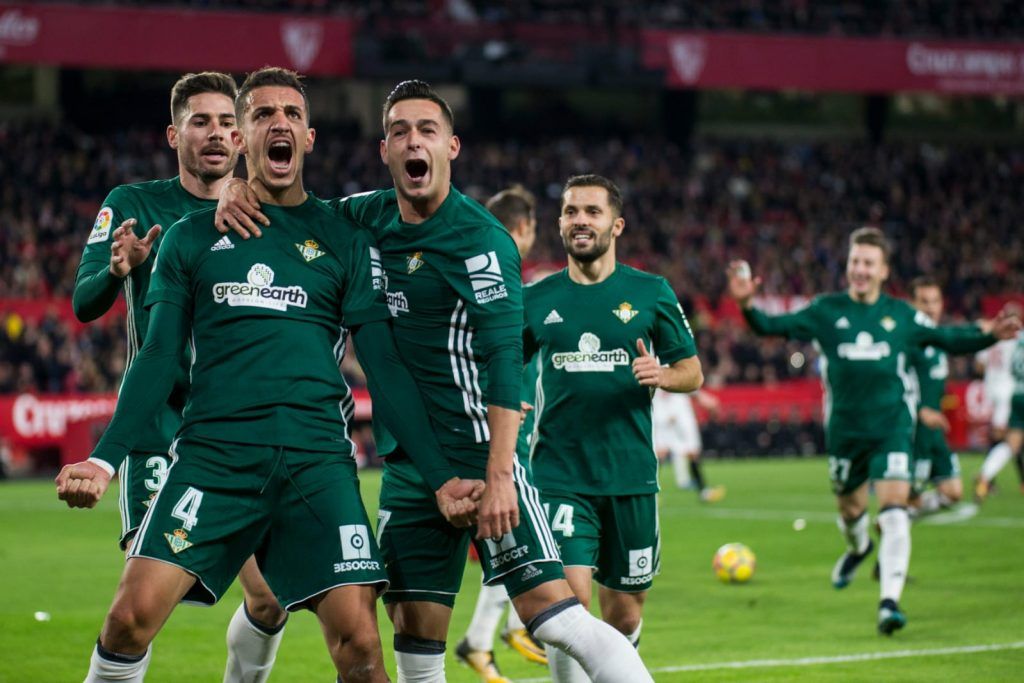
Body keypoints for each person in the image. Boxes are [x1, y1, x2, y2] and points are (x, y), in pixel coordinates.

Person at [216, 80, 656, 683]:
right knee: (415, 639)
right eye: (400, 131)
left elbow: (505, 362)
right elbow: (295, 211)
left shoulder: (479, 241)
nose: (412, 141)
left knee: (555, 619)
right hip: (409, 469)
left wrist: (500, 476)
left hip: (480, 458)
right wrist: (236, 184)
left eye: (426, 130)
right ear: (386, 150)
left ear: (451, 146)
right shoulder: (362, 217)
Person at [56, 67, 480, 683]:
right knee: (127, 621)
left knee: (361, 646)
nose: (278, 123)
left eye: (291, 115)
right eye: (260, 115)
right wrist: (103, 459)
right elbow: (153, 357)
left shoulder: (344, 238)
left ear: (308, 137)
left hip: (316, 464)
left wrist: (440, 476)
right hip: (214, 458)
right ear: (244, 141)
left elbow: (384, 368)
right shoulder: (188, 237)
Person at [71, 71, 290, 683]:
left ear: (243, 138)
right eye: (201, 121)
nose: (216, 134)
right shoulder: (134, 204)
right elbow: (85, 303)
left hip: (235, 436)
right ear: (175, 133)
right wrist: (119, 271)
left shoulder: (266, 213)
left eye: (227, 122)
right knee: (138, 612)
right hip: (159, 430)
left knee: (270, 601)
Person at [726, 226, 1020, 635]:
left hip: (892, 428)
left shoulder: (901, 315)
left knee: (895, 508)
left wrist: (987, 335)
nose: (860, 270)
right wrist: (746, 306)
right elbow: (769, 326)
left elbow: (946, 338)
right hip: (846, 433)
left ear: (883, 271)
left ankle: (889, 602)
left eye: (868, 263)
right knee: (850, 510)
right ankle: (859, 546)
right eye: (855, 262)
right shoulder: (825, 310)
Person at [523, 174, 703, 682]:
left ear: (615, 224)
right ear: (559, 223)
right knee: (568, 605)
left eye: (592, 212)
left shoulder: (650, 292)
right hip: (560, 475)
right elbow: (504, 366)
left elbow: (693, 371)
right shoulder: (536, 299)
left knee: (623, 614)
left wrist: (663, 374)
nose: (580, 220)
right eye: (571, 211)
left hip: (630, 476)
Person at [454, 186, 548, 683]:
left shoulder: (477, 271)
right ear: (525, 227)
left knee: (511, 532)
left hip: (503, 422)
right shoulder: (497, 278)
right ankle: (508, 626)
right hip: (496, 432)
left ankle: (489, 635)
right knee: (515, 527)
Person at [905, 277, 963, 515]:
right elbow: (890, 384)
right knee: (910, 495)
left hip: (933, 432)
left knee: (953, 491)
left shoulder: (938, 340)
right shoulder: (906, 341)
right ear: (912, 304)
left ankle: (901, 517)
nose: (930, 307)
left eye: (935, 301)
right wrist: (920, 409)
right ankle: (897, 519)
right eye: (924, 301)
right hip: (912, 433)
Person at [976, 328, 1024, 501]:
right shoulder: (1016, 338)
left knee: (1010, 442)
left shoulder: (993, 336)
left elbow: (979, 365)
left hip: (1011, 393)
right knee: (1006, 439)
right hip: (1009, 389)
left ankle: (986, 475)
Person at [652, 388, 725, 501]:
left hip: (672, 418)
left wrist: (702, 397)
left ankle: (703, 491)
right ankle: (651, 493)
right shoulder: (668, 375)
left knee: (689, 453)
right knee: (661, 455)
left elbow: (691, 388)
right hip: (667, 417)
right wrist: (704, 398)